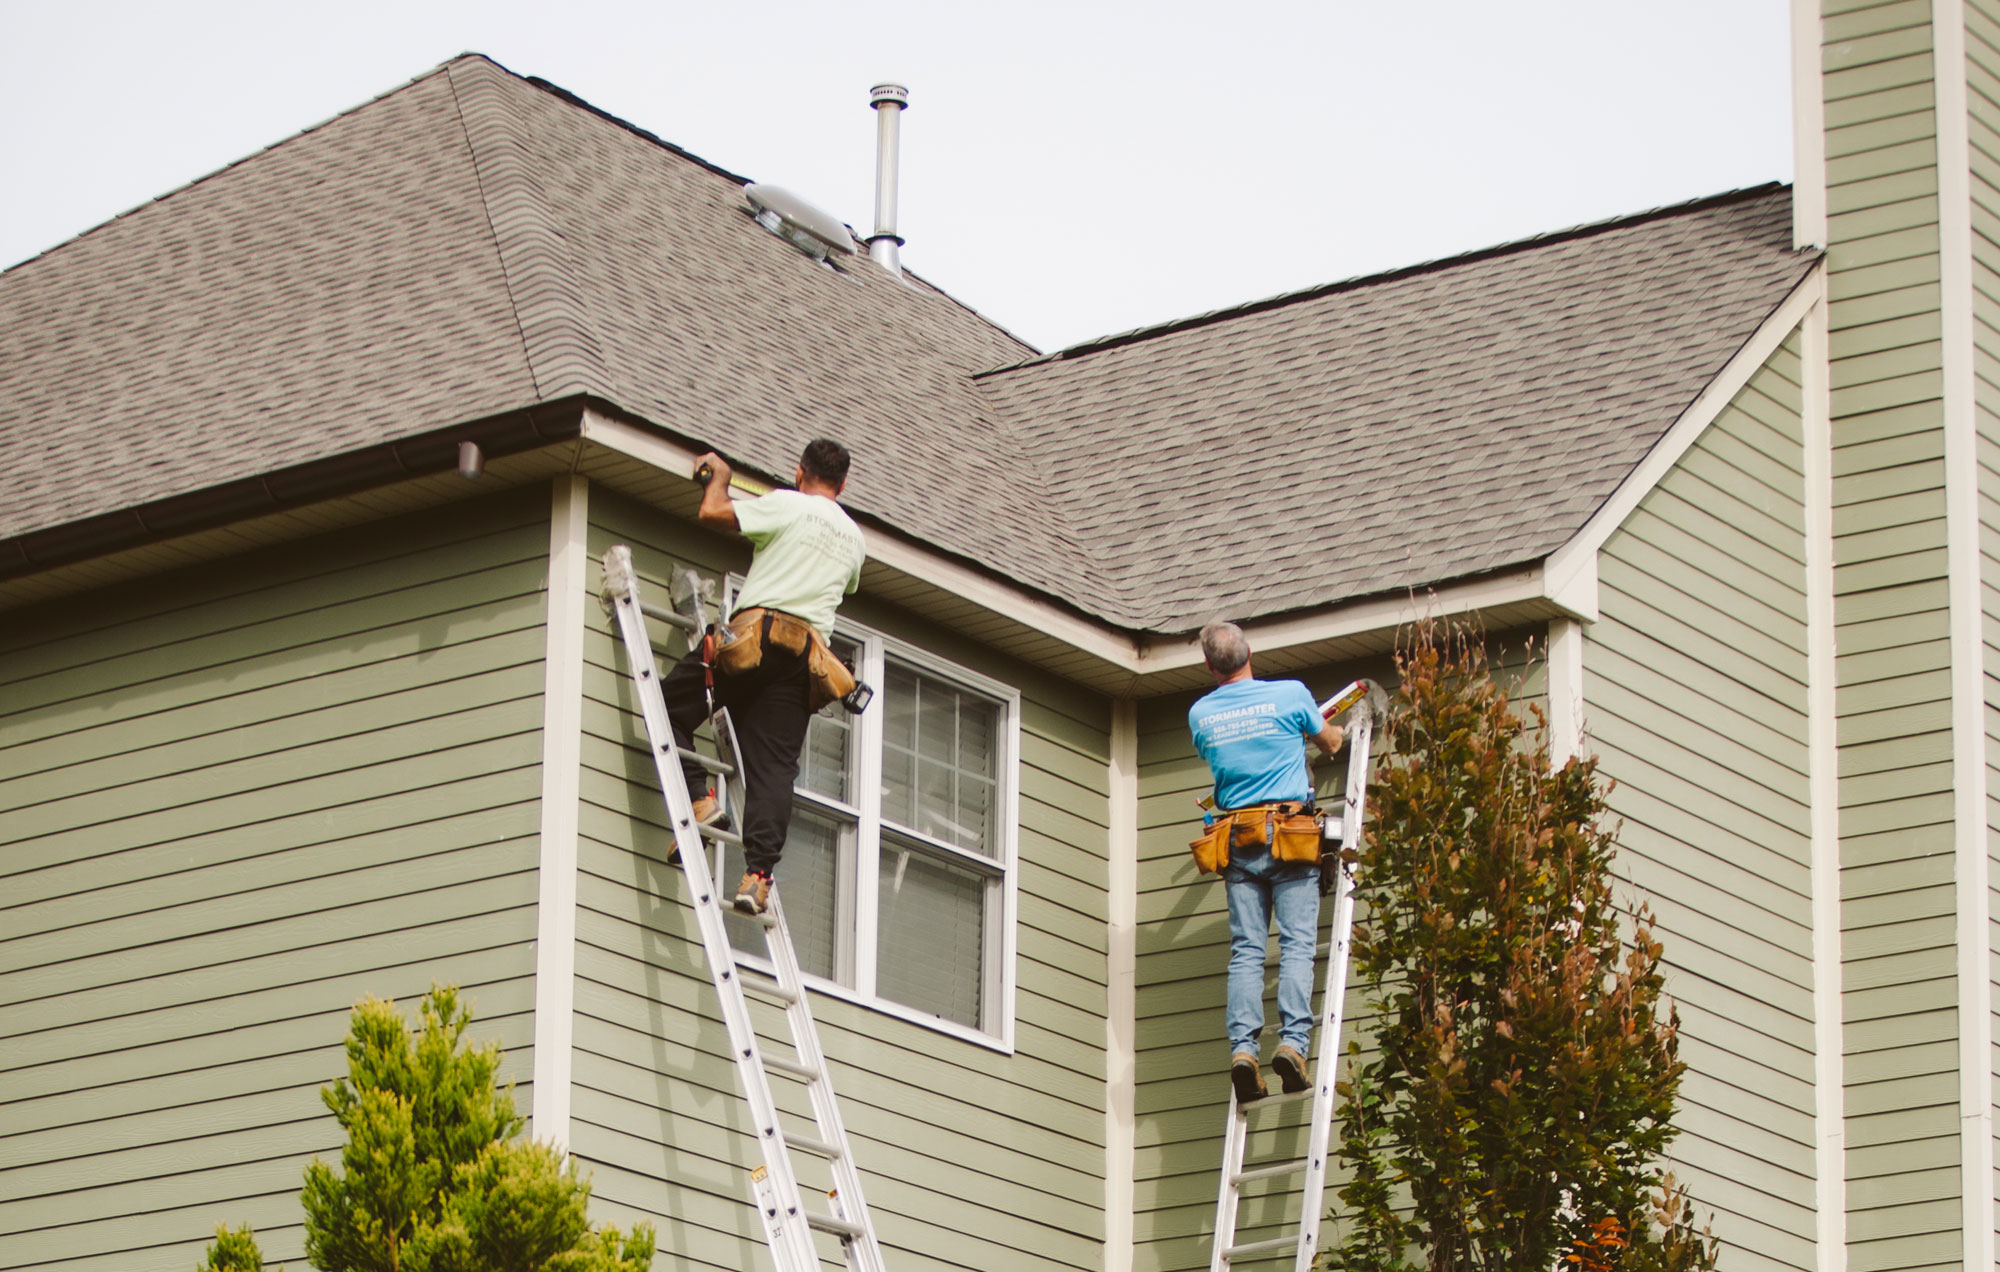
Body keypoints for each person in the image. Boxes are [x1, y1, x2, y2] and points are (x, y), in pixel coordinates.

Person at [662, 439, 865, 915]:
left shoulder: (787, 504)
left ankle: (698, 798)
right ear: (844, 484)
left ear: (800, 473)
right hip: (803, 660)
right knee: (774, 770)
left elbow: (713, 512)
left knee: (669, 702)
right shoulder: (854, 539)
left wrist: (722, 477)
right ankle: (757, 876)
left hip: (751, 640)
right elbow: (846, 583)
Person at [1188, 620, 1346, 1103]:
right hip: (1290, 835)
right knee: (1297, 945)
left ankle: (1243, 1051)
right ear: (1249, 651)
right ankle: (1293, 1046)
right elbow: (1333, 743)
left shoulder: (1200, 714)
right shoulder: (1291, 695)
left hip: (1238, 839)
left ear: (1211, 665)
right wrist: (1320, 732)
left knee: (1247, 950)